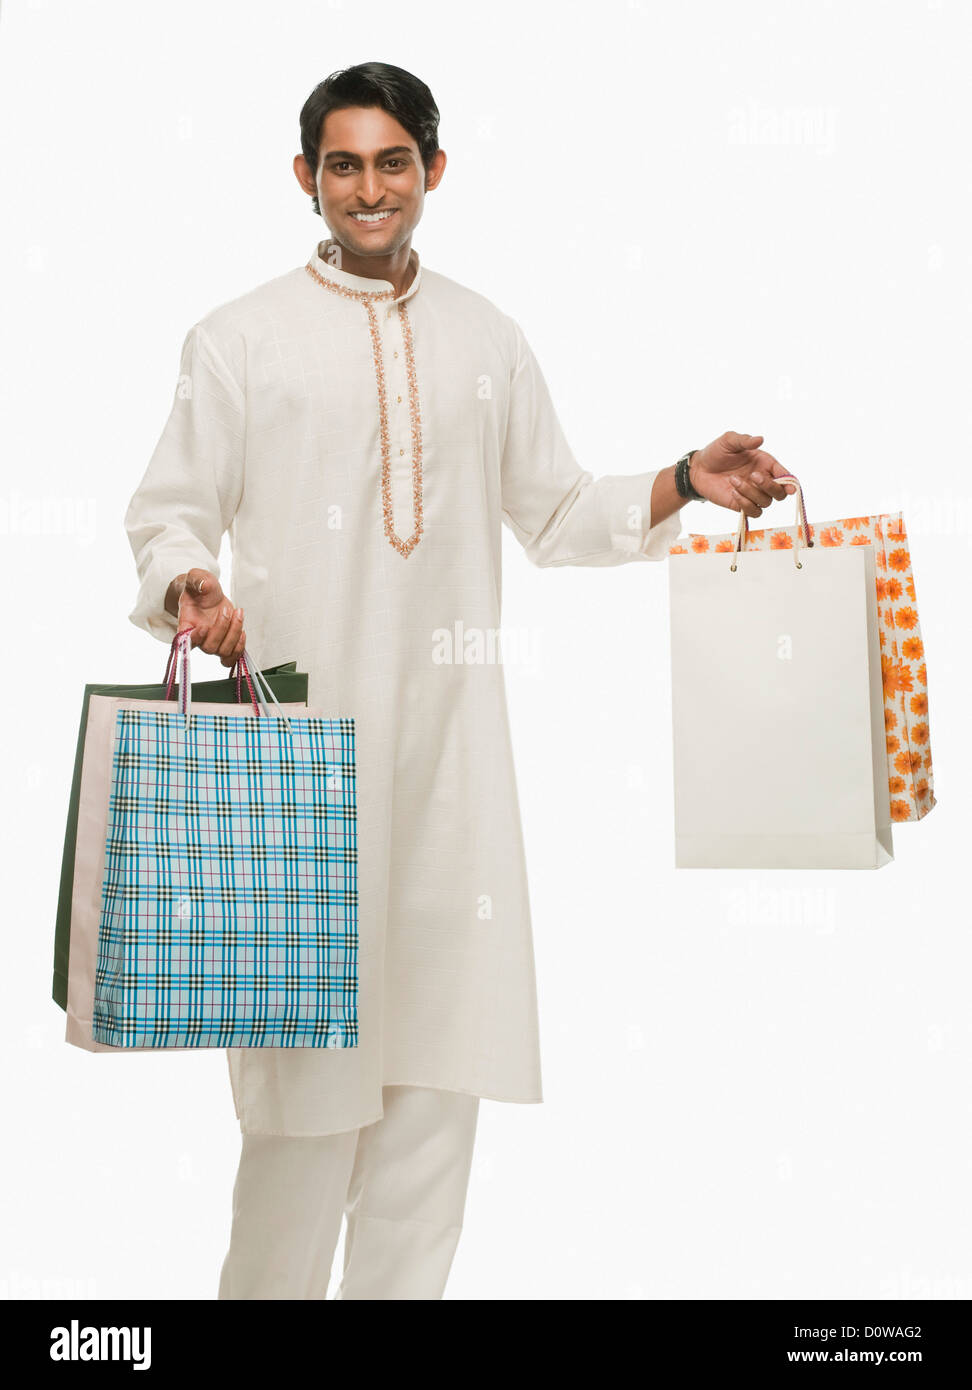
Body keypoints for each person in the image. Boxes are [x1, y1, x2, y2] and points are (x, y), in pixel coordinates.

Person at [123, 61, 795, 1300]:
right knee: (298, 1134)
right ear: (305, 178)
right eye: (342, 164)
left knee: (429, 1136)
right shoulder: (236, 340)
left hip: (451, 786)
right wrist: (189, 589)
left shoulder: (488, 337)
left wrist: (684, 480)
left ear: (433, 170)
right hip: (298, 779)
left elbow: (556, 510)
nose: (368, 188)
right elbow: (168, 512)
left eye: (392, 162)